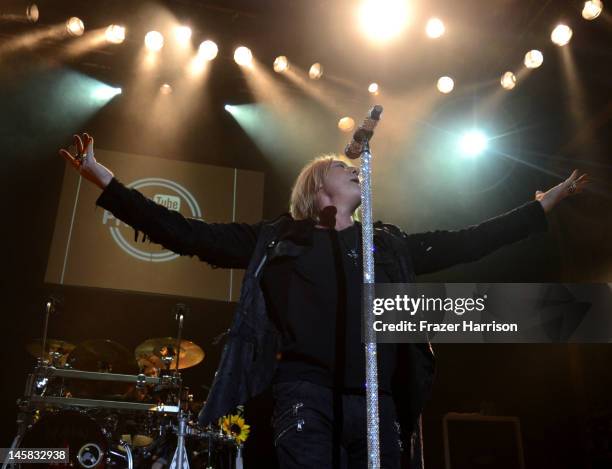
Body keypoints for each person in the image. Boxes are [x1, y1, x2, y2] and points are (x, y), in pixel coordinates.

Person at [59, 133, 588, 469]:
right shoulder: (279, 239)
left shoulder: (384, 244)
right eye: (341, 167)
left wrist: (540, 208)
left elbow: (467, 241)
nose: (353, 169)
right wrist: (104, 180)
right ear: (319, 189)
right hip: (304, 398)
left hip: (377, 402)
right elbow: (184, 231)